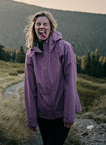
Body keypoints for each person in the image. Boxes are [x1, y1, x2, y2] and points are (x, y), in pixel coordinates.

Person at [24, 11, 82, 145]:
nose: (41, 27)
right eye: (38, 24)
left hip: (62, 113)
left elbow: (70, 83)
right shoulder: (31, 54)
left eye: (45, 24)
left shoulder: (65, 48)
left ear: (51, 27)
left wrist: (68, 115)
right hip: (43, 115)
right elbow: (30, 88)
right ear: (34, 28)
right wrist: (32, 119)